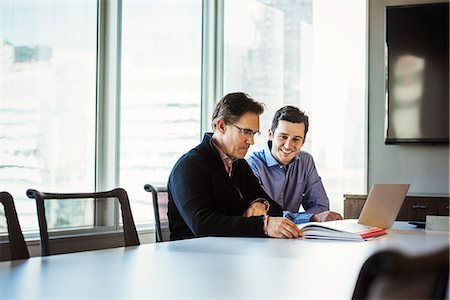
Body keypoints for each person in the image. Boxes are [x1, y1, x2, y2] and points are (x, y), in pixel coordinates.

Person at [167, 92, 302, 240]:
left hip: (230, 252)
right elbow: (202, 225)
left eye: (254, 134)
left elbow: (276, 209)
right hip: (193, 256)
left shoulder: (239, 165)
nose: (251, 141)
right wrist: (263, 225)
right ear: (221, 126)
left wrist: (261, 203)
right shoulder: (189, 166)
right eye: (246, 132)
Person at [247, 106, 342, 224]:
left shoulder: (306, 161)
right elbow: (261, 215)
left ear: (304, 141)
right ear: (271, 134)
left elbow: (321, 207)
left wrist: (307, 217)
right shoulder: (251, 165)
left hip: (294, 238)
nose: (288, 145)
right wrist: (310, 218)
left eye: (296, 139)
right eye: (283, 137)